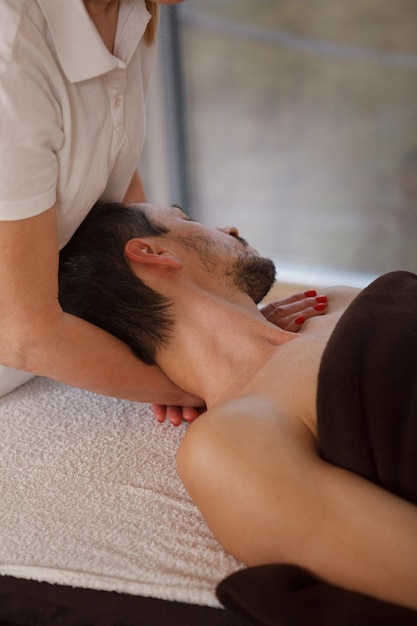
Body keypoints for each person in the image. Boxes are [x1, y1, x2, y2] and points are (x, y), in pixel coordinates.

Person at [58, 201, 417, 615]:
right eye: (187, 220)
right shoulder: (231, 442)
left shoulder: (334, 303)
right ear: (153, 254)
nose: (228, 228)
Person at [0, 0, 324, 426]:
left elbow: (113, 186)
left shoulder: (134, 15)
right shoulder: (14, 50)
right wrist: (219, 372)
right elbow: (23, 334)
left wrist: (211, 336)